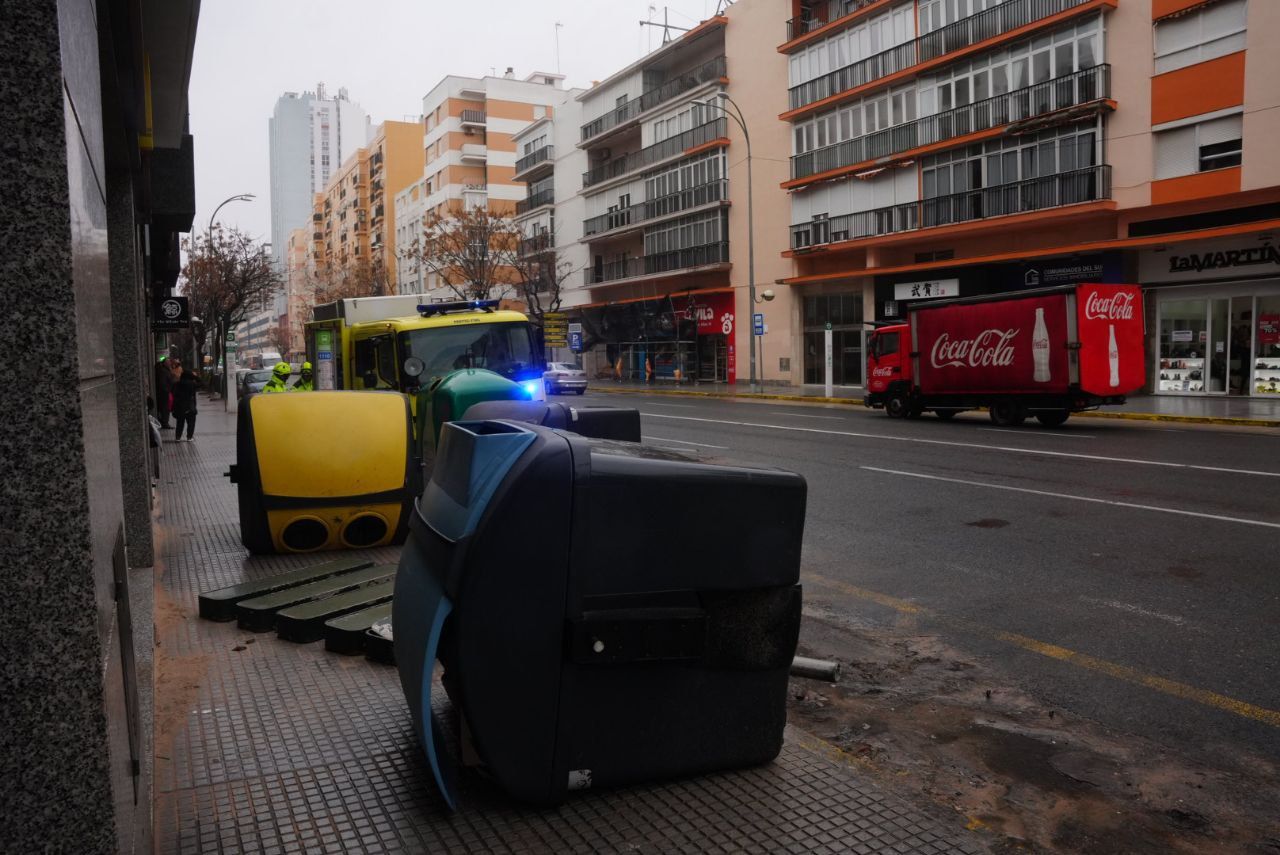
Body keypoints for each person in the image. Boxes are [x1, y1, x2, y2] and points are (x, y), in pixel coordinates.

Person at [171, 368, 198, 442]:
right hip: (190, 406)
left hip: (179, 406)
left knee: (180, 422)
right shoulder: (193, 384)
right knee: (191, 422)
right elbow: (203, 384)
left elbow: (173, 393)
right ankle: (189, 437)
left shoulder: (176, 384)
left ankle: (178, 437)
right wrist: (195, 377)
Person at [154, 357, 174, 428]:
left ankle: (165, 422)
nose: (170, 363)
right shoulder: (163, 371)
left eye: (170, 362)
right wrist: (167, 390)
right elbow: (163, 383)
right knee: (165, 408)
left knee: (166, 408)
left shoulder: (166, 370)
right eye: (168, 362)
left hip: (166, 392)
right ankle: (165, 423)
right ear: (165, 363)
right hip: (164, 393)